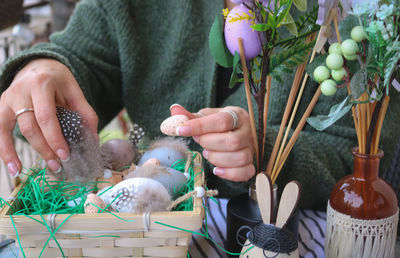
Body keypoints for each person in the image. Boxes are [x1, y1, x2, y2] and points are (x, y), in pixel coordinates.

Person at [0, 0, 398, 209]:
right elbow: (79, 62)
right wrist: (40, 70)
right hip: (149, 235)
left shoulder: (353, 16)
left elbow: (362, 150)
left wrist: (265, 151)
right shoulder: (131, 8)